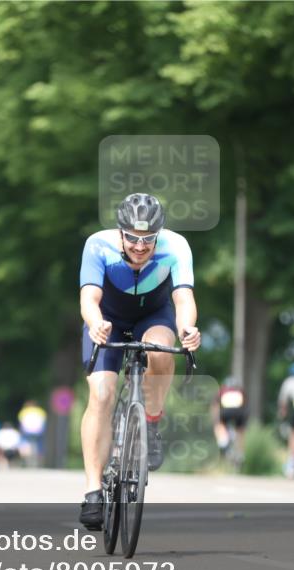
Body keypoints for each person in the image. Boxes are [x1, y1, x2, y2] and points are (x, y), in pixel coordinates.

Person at [78, 193, 201, 530]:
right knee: (101, 394)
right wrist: (94, 323)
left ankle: (151, 418)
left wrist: (187, 328)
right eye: (132, 237)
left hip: (154, 316)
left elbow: (183, 298)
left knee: (161, 349)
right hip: (107, 320)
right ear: (120, 231)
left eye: (148, 239)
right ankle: (92, 490)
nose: (140, 246)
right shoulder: (98, 245)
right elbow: (89, 297)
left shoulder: (176, 247)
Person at [212, 377, 248, 463]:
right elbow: (245, 404)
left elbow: (215, 404)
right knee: (240, 431)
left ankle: (222, 442)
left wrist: (215, 419)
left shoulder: (223, 390)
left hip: (226, 412)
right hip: (239, 413)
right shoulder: (240, 391)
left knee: (219, 425)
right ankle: (240, 453)